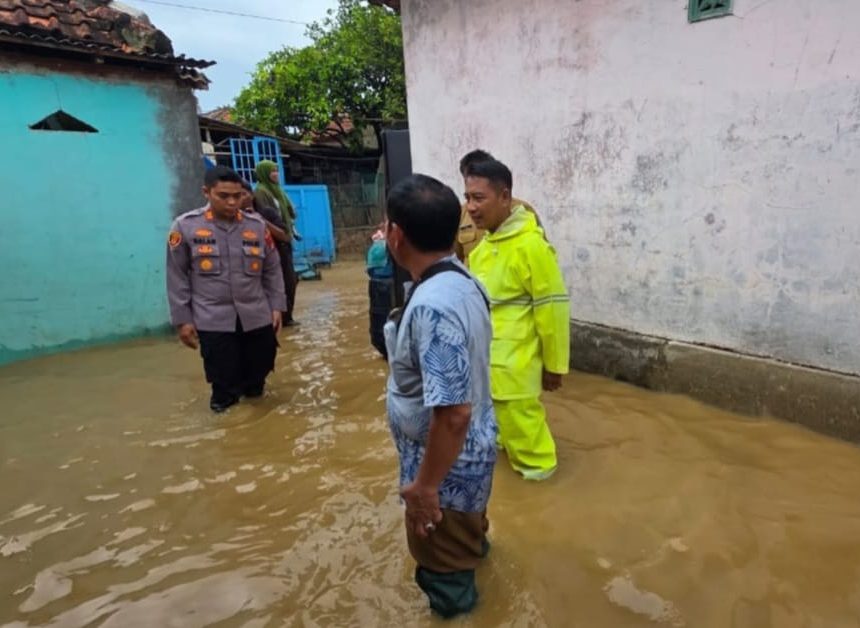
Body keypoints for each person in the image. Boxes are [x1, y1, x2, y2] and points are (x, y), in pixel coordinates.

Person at [383, 174, 497, 618]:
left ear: (396, 235)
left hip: (445, 470)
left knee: (444, 576)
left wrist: (426, 487)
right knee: (470, 545)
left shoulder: (434, 304)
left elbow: (452, 415)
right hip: (470, 456)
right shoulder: (464, 280)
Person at [465, 158, 570, 480]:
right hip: (487, 366)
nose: (470, 207)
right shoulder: (482, 249)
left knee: (534, 456)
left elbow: (553, 309)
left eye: (478, 198)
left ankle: (543, 503)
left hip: (515, 368)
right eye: (467, 197)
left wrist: (554, 365)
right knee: (500, 441)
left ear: (505, 196)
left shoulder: (532, 247)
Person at [166, 166, 286, 413]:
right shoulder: (184, 227)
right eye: (223, 196)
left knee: (258, 383)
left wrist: (277, 307)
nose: (232, 202)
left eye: (238, 196)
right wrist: (182, 320)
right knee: (224, 390)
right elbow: (176, 276)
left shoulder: (257, 227)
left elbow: (272, 269)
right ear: (206, 193)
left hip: (256, 317)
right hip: (213, 320)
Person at [454, 149, 539, 263]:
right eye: (468, 176)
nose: (472, 208)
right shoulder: (461, 214)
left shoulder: (522, 211)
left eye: (479, 197)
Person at [240, 179, 300, 329]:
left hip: (278, 257)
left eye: (242, 194)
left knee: (287, 286)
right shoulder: (231, 220)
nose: (238, 199)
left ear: (251, 195)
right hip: (251, 263)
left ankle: (285, 318)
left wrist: (259, 220)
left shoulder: (266, 213)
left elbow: (284, 235)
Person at [253, 160, 300, 326]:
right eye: (272, 171)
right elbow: (267, 217)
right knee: (282, 278)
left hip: (285, 239)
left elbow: (290, 212)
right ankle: (281, 316)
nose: (276, 174)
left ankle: (287, 316)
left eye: (277, 170)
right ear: (265, 173)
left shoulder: (278, 191)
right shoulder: (261, 192)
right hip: (273, 242)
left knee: (290, 279)